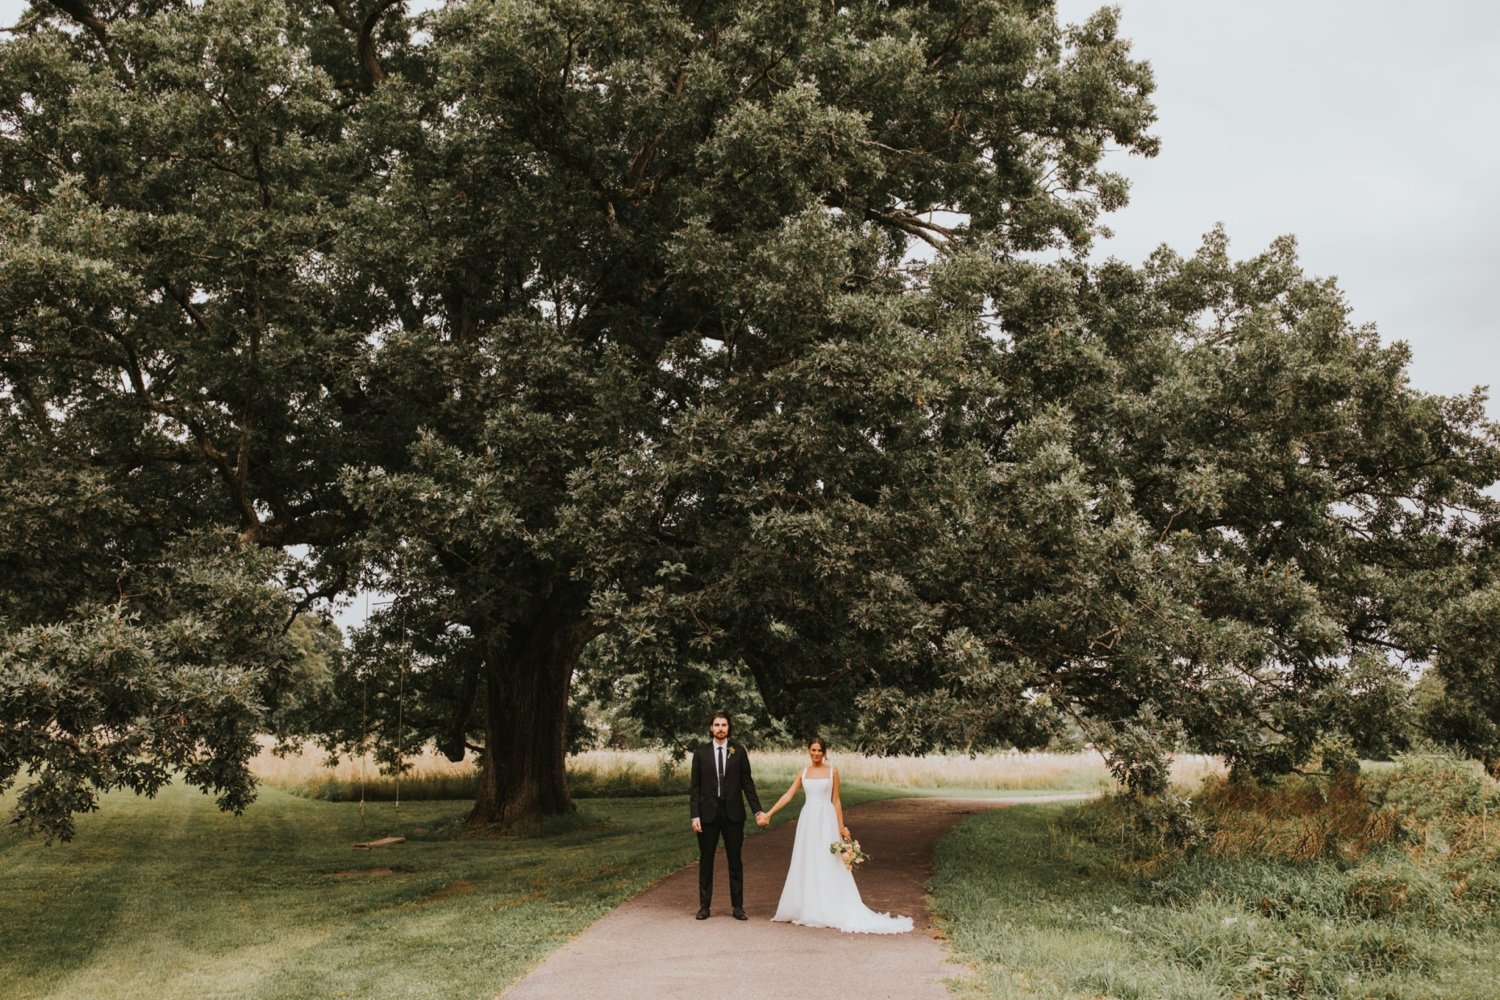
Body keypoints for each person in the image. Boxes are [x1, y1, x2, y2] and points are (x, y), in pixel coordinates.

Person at [761, 736, 913, 934]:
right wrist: (769, 813)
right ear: (808, 751)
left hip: (826, 819)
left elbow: (836, 801)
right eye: (813, 750)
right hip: (808, 820)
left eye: (819, 750)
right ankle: (807, 906)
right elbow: (788, 795)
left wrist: (841, 827)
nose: (816, 754)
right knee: (807, 860)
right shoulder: (803, 772)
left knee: (827, 860)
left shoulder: (833, 772)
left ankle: (829, 906)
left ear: (824, 753)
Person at [690, 711, 767, 920]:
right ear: (711, 728)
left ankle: (738, 907)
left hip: (733, 815)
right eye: (717, 725)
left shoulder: (739, 752)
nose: (721, 728)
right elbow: (695, 788)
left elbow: (747, 784)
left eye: (724, 725)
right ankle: (704, 907)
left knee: (735, 861)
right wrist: (694, 815)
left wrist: (757, 810)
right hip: (707, 816)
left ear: (729, 728)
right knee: (706, 861)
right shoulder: (700, 753)